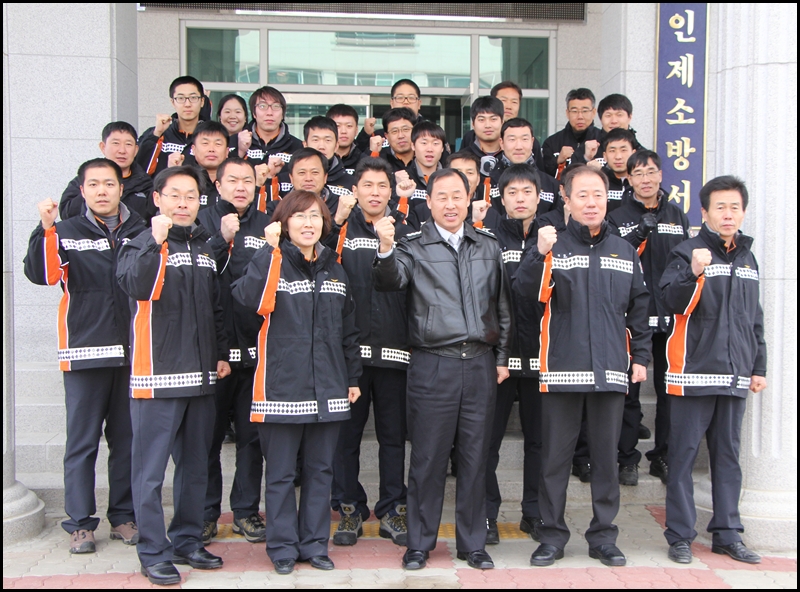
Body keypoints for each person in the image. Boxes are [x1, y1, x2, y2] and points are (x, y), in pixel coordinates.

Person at [373, 168, 512, 571]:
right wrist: (385, 247)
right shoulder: (413, 246)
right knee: (428, 459)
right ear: (429, 202)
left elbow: (503, 306)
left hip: (480, 365)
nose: (450, 204)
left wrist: (502, 358)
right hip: (433, 365)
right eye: (442, 197)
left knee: (475, 458)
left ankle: (473, 544)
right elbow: (389, 281)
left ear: (468, 200)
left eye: (457, 196)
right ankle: (419, 543)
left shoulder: (487, 246)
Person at [514, 166, 651, 568]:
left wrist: (641, 357)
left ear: (608, 199)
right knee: (555, 460)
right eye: (583, 195)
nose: (591, 203)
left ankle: (603, 536)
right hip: (562, 369)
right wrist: (538, 253)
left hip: (610, 370)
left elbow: (638, 308)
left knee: (606, 460)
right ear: (567, 199)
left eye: (598, 195)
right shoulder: (552, 245)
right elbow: (524, 292)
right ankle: (552, 536)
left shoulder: (624, 251)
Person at [231, 190, 362, 575]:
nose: (308, 223)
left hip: (329, 387)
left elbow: (348, 329)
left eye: (315, 216)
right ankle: (283, 547)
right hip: (280, 388)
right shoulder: (272, 261)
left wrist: (352, 377)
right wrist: (267, 252)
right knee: (282, 474)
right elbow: (248, 299)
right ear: (284, 224)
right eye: (300, 216)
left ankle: (315, 545)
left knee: (321, 472)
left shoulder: (335, 268)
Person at [24, 158, 147, 555]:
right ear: (82, 191)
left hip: (132, 355)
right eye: (93, 184)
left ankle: (123, 516)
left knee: (127, 441)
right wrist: (45, 228)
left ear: (120, 188)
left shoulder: (141, 230)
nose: (102, 191)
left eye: (108, 183)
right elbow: (42, 274)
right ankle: (79, 523)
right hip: (85, 353)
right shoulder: (65, 231)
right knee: (82, 443)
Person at [116, 166, 231, 586]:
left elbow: (215, 305)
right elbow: (136, 286)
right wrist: (155, 241)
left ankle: (187, 539)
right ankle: (152, 551)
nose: (183, 203)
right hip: (157, 374)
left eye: (191, 196)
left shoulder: (203, 246)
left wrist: (220, 353)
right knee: (149, 473)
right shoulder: (139, 242)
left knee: (196, 466)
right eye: (175, 195)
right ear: (157, 199)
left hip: (200, 375)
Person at [660, 176, 766, 566]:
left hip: (735, 373)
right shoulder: (685, 251)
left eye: (734, 207)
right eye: (720, 207)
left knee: (728, 457)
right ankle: (680, 536)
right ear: (704, 212)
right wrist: (693, 272)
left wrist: (758, 365)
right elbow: (671, 300)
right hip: (693, 374)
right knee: (683, 457)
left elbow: (754, 317)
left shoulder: (748, 258)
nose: (728, 214)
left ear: (743, 212)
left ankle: (727, 534)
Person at [326, 158, 414, 547]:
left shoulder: (406, 231)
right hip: (350, 357)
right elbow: (318, 263)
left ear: (391, 193)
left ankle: (393, 508)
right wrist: (335, 220)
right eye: (367, 185)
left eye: (382, 186)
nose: (375, 193)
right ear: (355, 191)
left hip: (395, 354)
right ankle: (349, 507)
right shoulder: (340, 229)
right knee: (346, 438)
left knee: (393, 438)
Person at [196, 157, 271, 545]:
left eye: (248, 181)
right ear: (218, 185)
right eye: (233, 180)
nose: (241, 187)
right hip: (215, 351)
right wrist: (220, 240)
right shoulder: (202, 222)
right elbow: (195, 275)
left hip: (255, 350)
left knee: (251, 439)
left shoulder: (267, 225)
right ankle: (206, 513)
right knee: (207, 439)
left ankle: (245, 511)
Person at [471, 164, 546, 545]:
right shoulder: (487, 239)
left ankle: (535, 513)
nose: (520, 199)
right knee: (487, 442)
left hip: (540, 358)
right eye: (512, 192)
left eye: (526, 192)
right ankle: (486, 515)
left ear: (539, 197)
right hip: (496, 360)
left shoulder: (553, 238)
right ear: (501, 198)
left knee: (540, 443)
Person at [607, 151, 689, 487]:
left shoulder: (676, 214)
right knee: (630, 391)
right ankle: (627, 459)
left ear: (660, 175)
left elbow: (685, 262)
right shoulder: (617, 215)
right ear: (628, 179)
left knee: (668, 391)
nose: (646, 179)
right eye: (638, 173)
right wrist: (639, 233)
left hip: (669, 316)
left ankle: (663, 456)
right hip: (633, 316)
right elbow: (614, 256)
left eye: (651, 172)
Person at [60, 122, 156, 223]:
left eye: (128, 144)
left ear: (136, 150)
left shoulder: (146, 185)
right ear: (103, 147)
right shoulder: (85, 179)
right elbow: (66, 214)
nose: (122, 150)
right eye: (116, 143)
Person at [482, 118, 561, 218]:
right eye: (512, 139)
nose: (519, 146)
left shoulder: (551, 185)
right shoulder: (487, 183)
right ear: (501, 143)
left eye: (524, 139)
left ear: (532, 142)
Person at [462, 81, 545, 170]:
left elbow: (540, 173)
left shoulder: (527, 140)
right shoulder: (471, 137)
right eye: (503, 101)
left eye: (514, 102)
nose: (508, 106)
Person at [137, 76, 207, 177]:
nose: (187, 104)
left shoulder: (211, 136)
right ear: (173, 102)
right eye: (181, 98)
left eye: (193, 98)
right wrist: (156, 134)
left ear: (202, 101)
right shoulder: (157, 134)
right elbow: (140, 170)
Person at [541, 88, 603, 178]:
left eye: (585, 111)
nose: (580, 116)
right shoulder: (551, 143)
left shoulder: (603, 140)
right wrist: (557, 160)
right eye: (574, 111)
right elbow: (543, 175)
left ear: (593, 112)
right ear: (567, 113)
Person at [355, 79, 425, 153]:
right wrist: (366, 134)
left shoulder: (430, 132)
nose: (406, 101)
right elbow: (357, 154)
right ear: (392, 103)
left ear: (419, 104)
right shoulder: (379, 136)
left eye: (411, 97)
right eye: (400, 97)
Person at [173, 120, 230, 210]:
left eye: (218, 144)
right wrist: (173, 173)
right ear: (193, 149)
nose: (211, 149)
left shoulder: (233, 182)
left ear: (227, 151)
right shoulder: (185, 179)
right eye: (205, 143)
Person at [240, 85, 303, 164]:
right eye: (262, 106)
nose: (269, 113)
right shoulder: (236, 142)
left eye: (276, 106)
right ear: (254, 113)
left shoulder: (298, 147)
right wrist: (240, 151)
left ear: (283, 114)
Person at [403, 121, 447, 229]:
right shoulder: (402, 178)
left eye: (435, 143)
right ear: (413, 145)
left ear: (442, 148)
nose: (430, 149)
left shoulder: (450, 180)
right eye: (424, 143)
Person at [598, 127, 637, 213]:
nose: (618, 156)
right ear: (605, 156)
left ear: (633, 153)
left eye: (623, 150)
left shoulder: (641, 182)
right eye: (612, 151)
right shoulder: (598, 182)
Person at [466, 97, 504, 171]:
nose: (488, 125)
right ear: (473, 124)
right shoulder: (463, 157)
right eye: (481, 120)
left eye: (493, 119)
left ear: (502, 122)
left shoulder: (512, 155)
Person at [327, 104, 364, 175]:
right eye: (338, 126)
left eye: (349, 126)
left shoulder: (364, 161)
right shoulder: (319, 159)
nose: (343, 131)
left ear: (356, 130)